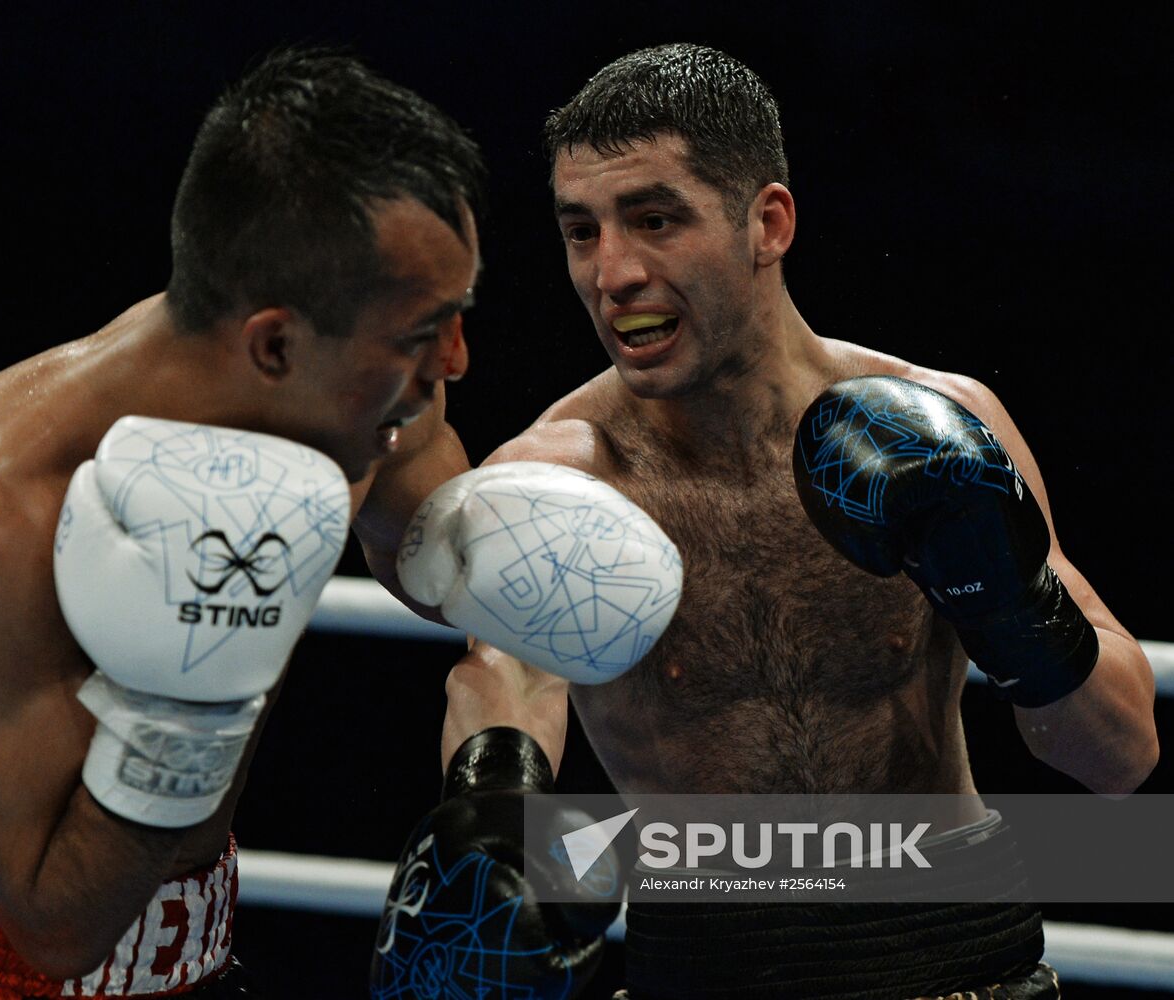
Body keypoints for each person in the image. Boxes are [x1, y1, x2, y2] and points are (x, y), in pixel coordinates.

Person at [371, 43, 1159, 999]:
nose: (611, 272)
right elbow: (504, 681)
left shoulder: (940, 426)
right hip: (703, 969)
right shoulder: (559, 479)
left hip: (961, 958)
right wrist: (492, 808)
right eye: (581, 231)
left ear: (768, 223)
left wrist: (1013, 599)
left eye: (655, 219)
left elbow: (1119, 756)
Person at [0, 46, 491, 999]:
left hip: (199, 953)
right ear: (273, 341)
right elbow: (54, 926)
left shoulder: (362, 396)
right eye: (422, 332)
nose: (456, 359)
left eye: (457, 313)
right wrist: (193, 697)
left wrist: (511, 770)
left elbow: (458, 567)